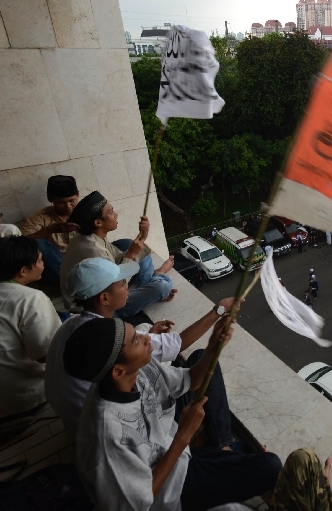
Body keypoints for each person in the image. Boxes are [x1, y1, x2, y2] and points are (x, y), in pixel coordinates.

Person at [62, 316, 285, 510]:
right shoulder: (107, 436)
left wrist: (213, 346)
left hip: (170, 443)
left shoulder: (137, 370)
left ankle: (221, 449)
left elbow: (191, 380)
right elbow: (139, 503)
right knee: (270, 466)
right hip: (170, 488)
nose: (148, 338)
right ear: (118, 370)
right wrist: (182, 438)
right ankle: (216, 459)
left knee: (202, 359)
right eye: (137, 340)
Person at [45, 257, 237, 441]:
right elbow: (177, 344)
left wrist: (146, 333)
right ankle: (223, 444)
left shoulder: (70, 326)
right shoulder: (112, 340)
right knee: (202, 360)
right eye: (121, 284)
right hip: (127, 430)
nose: (127, 286)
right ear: (104, 298)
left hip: (79, 428)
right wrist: (218, 311)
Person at [0, 237, 61, 424]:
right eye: (40, 259)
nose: (43, 264)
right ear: (23, 270)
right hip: (23, 401)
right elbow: (48, 354)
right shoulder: (31, 299)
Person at [60, 191, 175, 318]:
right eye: (110, 212)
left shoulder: (90, 237)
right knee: (162, 286)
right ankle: (158, 276)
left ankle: (149, 284)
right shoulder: (94, 250)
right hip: (95, 307)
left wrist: (142, 236)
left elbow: (118, 259)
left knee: (128, 243)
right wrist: (131, 254)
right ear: (98, 223)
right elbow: (117, 283)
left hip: (102, 286)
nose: (116, 215)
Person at [20, 176, 81, 283]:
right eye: (61, 202)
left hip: (85, 259)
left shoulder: (86, 212)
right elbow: (19, 243)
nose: (68, 206)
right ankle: (71, 282)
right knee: (38, 243)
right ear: (51, 199)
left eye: (72, 201)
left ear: (77, 195)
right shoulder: (39, 217)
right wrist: (50, 230)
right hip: (58, 266)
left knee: (121, 244)